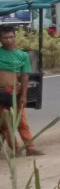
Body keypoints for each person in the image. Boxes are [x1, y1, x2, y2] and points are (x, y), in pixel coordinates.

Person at [0, 25, 42, 156]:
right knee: (5, 123)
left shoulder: (22, 56)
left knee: (22, 121)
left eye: (11, 37)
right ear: (0, 39)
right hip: (0, 93)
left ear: (15, 37)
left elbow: (24, 77)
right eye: (5, 38)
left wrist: (24, 95)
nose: (8, 40)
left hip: (15, 93)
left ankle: (30, 147)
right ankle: (15, 148)